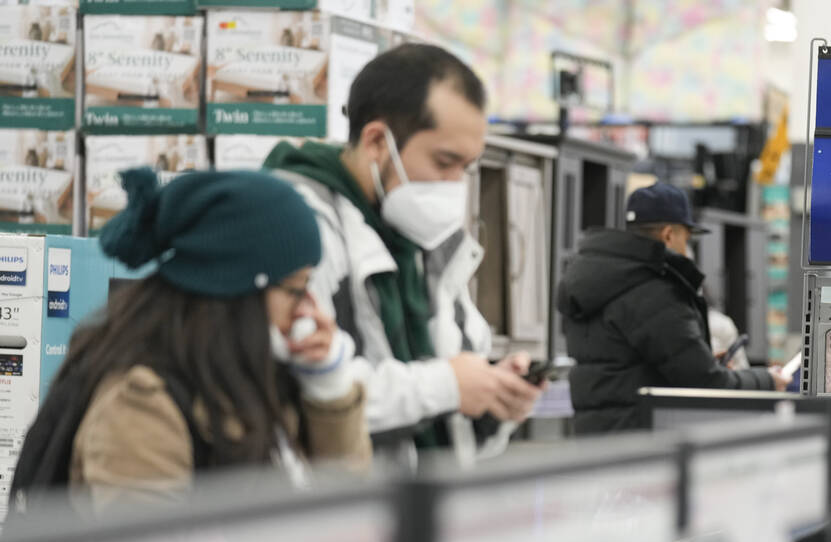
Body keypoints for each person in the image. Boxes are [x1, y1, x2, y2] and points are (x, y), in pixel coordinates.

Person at [11, 168, 370, 512]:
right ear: (239, 291)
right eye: (296, 289)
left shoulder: (264, 376)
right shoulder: (143, 406)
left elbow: (346, 509)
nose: (309, 309)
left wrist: (329, 391)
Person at [264, 42, 541, 461]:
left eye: (465, 168)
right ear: (377, 141)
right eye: (444, 161)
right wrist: (447, 385)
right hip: (336, 510)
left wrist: (493, 395)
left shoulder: (425, 238)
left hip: (421, 507)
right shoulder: (297, 224)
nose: (454, 184)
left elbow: (458, 364)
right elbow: (304, 387)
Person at [557, 182, 787, 434]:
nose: (687, 249)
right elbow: (706, 383)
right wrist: (767, 380)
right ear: (668, 235)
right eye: (687, 238)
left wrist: (701, 356)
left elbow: (625, 365)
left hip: (596, 439)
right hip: (642, 446)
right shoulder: (654, 291)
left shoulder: (597, 281)